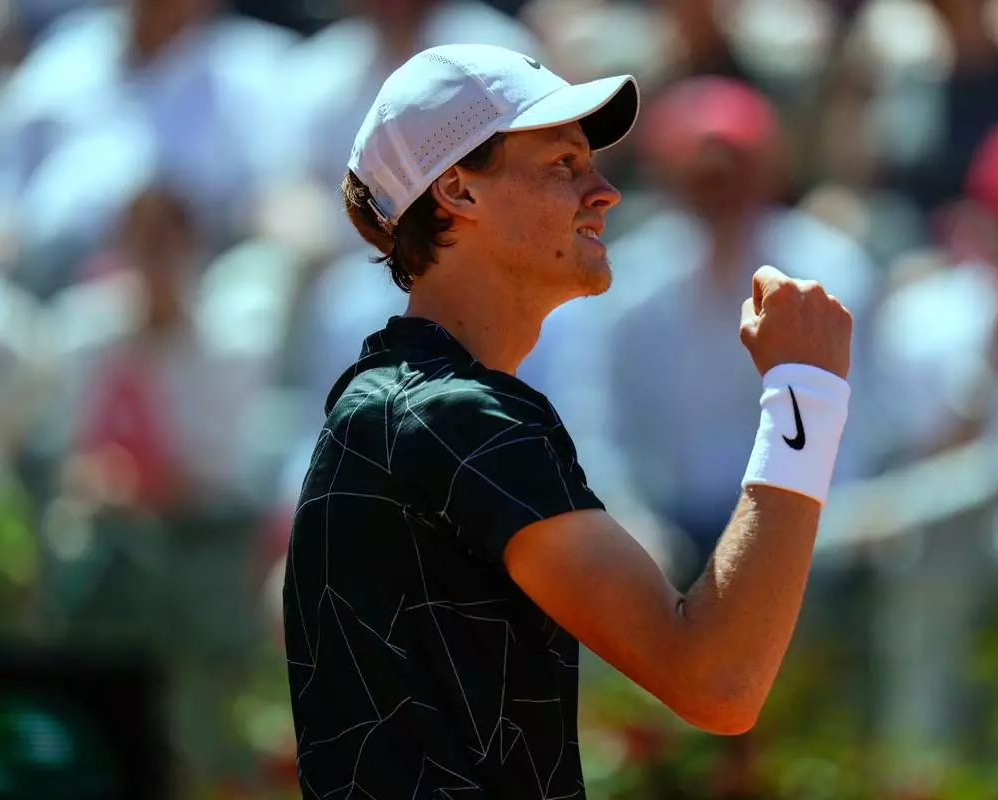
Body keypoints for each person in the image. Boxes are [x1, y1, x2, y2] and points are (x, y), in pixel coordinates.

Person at [282, 43, 854, 799]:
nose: (605, 191)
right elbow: (718, 681)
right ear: (459, 191)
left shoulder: (406, 405)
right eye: (562, 164)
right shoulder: (456, 419)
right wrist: (803, 394)